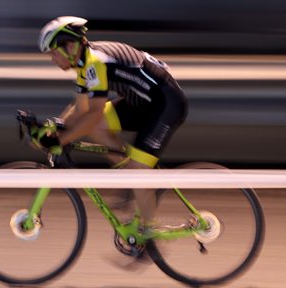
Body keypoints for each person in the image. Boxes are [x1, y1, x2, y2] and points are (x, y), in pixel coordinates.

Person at [36, 16, 188, 239]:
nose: (52, 59)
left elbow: (94, 113)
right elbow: (79, 110)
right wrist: (52, 127)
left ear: (70, 46)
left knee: (137, 173)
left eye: (53, 52)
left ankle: (148, 233)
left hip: (166, 106)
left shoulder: (96, 62)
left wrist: (61, 140)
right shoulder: (84, 62)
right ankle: (129, 174)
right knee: (95, 128)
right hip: (142, 102)